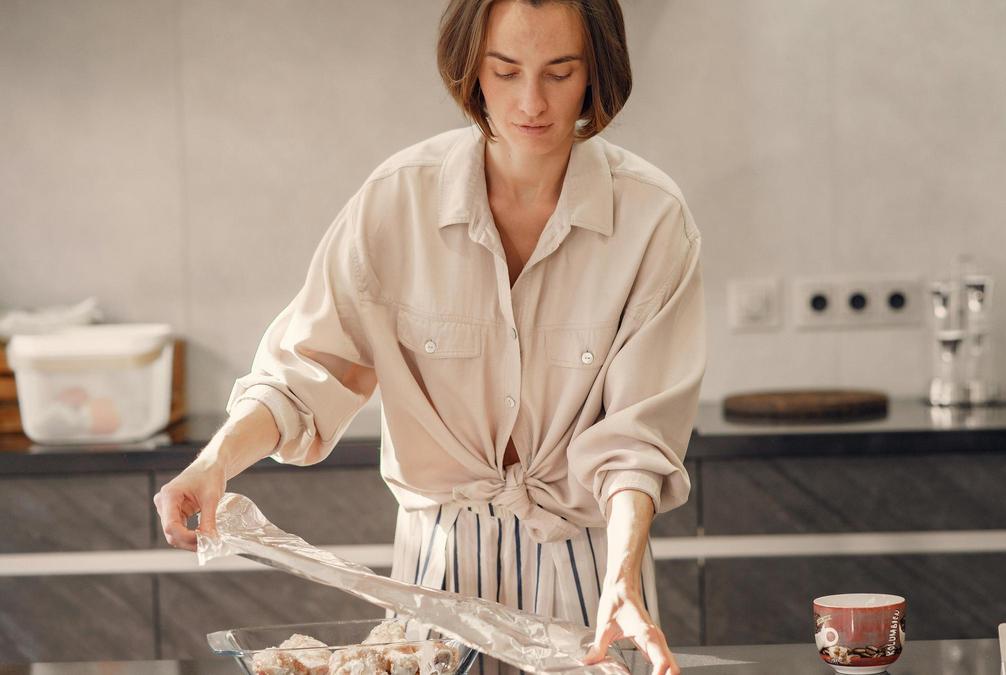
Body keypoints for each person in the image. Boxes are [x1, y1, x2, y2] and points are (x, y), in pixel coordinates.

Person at [153, 1, 704, 673]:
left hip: (590, 581)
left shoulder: (652, 220)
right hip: (433, 582)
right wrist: (215, 462)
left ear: (597, 74)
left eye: (560, 73)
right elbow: (302, 377)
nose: (530, 102)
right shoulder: (396, 202)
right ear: (471, 69)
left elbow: (636, 444)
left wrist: (621, 575)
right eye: (506, 71)